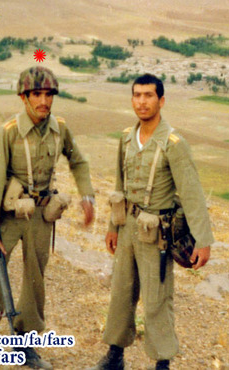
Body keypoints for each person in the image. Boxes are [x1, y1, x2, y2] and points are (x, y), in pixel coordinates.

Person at [0, 66, 95, 370]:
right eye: (36, 94)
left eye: (48, 94)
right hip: (7, 216)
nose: (43, 101)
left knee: (35, 282)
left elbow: (79, 161)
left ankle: (25, 345)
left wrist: (87, 196)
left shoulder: (60, 129)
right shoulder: (9, 132)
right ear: (24, 97)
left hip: (41, 216)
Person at [88, 73, 214, 370]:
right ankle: (115, 355)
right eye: (137, 95)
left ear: (161, 101)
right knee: (121, 293)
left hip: (156, 234)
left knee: (157, 300)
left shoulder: (174, 144)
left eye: (148, 95)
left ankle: (162, 363)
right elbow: (120, 185)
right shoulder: (126, 138)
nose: (142, 102)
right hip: (127, 228)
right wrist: (112, 226)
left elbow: (192, 194)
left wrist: (203, 241)